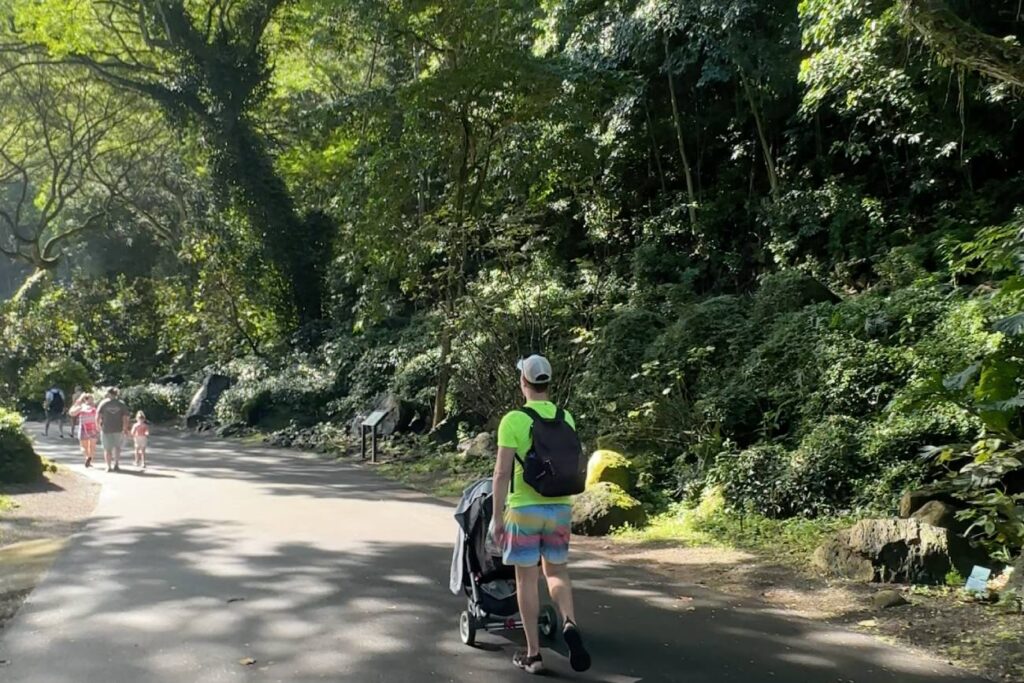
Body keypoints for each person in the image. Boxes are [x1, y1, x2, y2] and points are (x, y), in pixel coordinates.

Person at [490, 354, 591, 675]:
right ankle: (570, 623)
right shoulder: (567, 418)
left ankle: (533, 654)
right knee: (557, 572)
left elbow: (501, 473)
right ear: (548, 382)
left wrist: (496, 517)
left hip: (524, 509)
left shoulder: (513, 420)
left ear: (524, 382)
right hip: (560, 507)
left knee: (527, 578)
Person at [96, 388, 131, 472]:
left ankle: (109, 466)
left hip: (108, 429)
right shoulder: (120, 404)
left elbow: (98, 415)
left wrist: (97, 426)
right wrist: (125, 428)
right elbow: (125, 417)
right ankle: (115, 464)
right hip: (116, 429)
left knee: (108, 449)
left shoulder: (104, 403)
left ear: (108, 393)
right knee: (116, 448)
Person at [69, 393, 99, 467]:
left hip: (83, 428)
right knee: (92, 446)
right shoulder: (95, 408)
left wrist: (79, 400)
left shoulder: (81, 407)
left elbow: (71, 413)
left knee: (83, 446)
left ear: (85, 400)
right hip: (93, 428)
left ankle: (86, 457)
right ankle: (90, 459)